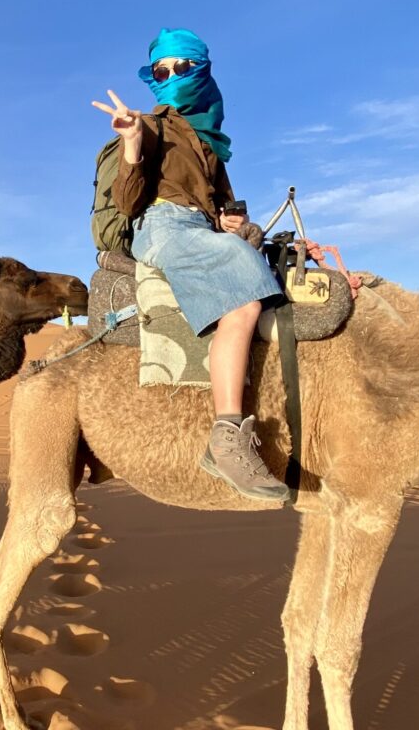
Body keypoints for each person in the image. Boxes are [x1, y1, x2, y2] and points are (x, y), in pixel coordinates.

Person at [92, 28, 289, 502]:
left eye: (183, 67)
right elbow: (130, 200)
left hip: (200, 231)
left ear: (202, 69)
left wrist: (229, 220)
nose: (172, 76)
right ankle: (226, 439)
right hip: (162, 228)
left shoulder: (210, 147)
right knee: (244, 304)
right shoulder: (150, 125)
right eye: (161, 70)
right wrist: (133, 145)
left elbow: (219, 210)